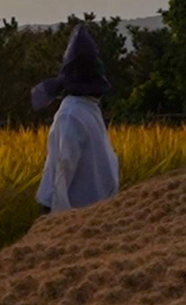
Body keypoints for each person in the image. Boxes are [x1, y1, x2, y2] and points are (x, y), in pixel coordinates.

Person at [30, 24, 120, 213]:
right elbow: (62, 172)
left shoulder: (86, 110)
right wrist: (59, 221)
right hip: (72, 212)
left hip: (90, 213)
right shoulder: (71, 115)